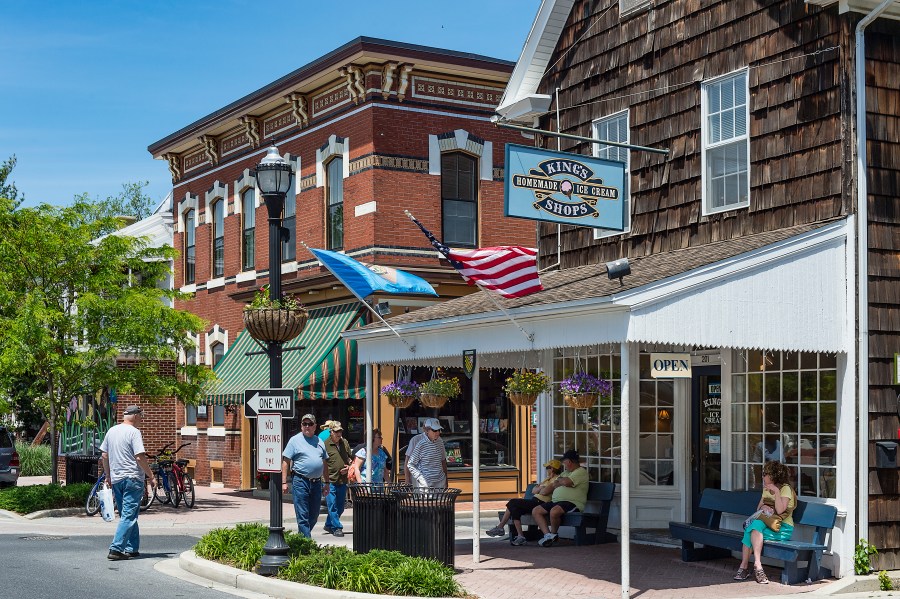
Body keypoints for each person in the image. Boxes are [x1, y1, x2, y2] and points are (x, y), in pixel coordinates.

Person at [99, 405, 157, 561]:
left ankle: (132, 548)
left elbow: (104, 455)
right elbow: (139, 457)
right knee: (129, 516)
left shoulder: (112, 431)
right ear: (135, 416)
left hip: (117, 480)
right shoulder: (134, 432)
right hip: (132, 479)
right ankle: (116, 549)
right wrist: (151, 476)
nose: (142, 419)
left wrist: (108, 475)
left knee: (128, 515)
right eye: (141, 416)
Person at [734, 460, 796, 585]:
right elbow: (758, 509)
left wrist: (776, 492)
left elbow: (780, 510)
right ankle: (758, 565)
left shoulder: (785, 489)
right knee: (754, 526)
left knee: (750, 530)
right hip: (767, 524)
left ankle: (744, 567)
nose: (762, 476)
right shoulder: (766, 489)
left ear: (773, 476)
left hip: (782, 528)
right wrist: (764, 508)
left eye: (765, 474)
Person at [486, 459, 562, 545]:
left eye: (547, 468)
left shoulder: (557, 480)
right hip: (534, 501)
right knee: (514, 508)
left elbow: (545, 492)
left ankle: (500, 527)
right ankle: (520, 536)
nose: (546, 470)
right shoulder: (547, 479)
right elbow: (534, 490)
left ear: (552, 469)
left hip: (541, 503)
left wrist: (540, 489)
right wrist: (540, 489)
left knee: (512, 502)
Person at [281, 413, 330, 538]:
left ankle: (301, 538)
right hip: (300, 481)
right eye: (304, 424)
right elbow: (286, 461)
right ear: (301, 426)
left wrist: (327, 483)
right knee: (302, 515)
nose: (307, 426)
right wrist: (284, 482)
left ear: (315, 426)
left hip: (317, 482)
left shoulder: (319, 441)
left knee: (313, 515)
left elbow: (324, 463)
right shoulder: (295, 440)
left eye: (310, 424)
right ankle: (307, 545)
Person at [531, 449, 589, 547]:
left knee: (554, 511)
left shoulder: (581, 471)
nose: (564, 465)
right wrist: (560, 482)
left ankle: (553, 534)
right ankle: (548, 535)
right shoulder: (565, 473)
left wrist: (560, 482)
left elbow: (566, 482)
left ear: (569, 461)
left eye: (565, 462)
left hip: (572, 503)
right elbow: (554, 484)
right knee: (536, 510)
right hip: (557, 502)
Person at [322, 420, 352, 537]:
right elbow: (321, 462)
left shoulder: (344, 443)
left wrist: (348, 467)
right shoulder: (325, 444)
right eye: (336, 432)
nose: (339, 434)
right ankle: (337, 527)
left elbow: (351, 458)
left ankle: (329, 524)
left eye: (340, 431)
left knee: (340, 507)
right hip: (329, 480)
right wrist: (324, 481)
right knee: (332, 505)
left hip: (342, 480)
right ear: (331, 432)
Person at [406, 417, 448, 489]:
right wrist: (420, 478)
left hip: (440, 481)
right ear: (427, 430)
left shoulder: (440, 441)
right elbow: (410, 464)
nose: (438, 432)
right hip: (426, 483)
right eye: (434, 430)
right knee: (426, 500)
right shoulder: (420, 444)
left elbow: (443, 461)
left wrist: (445, 479)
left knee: (441, 500)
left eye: (439, 430)